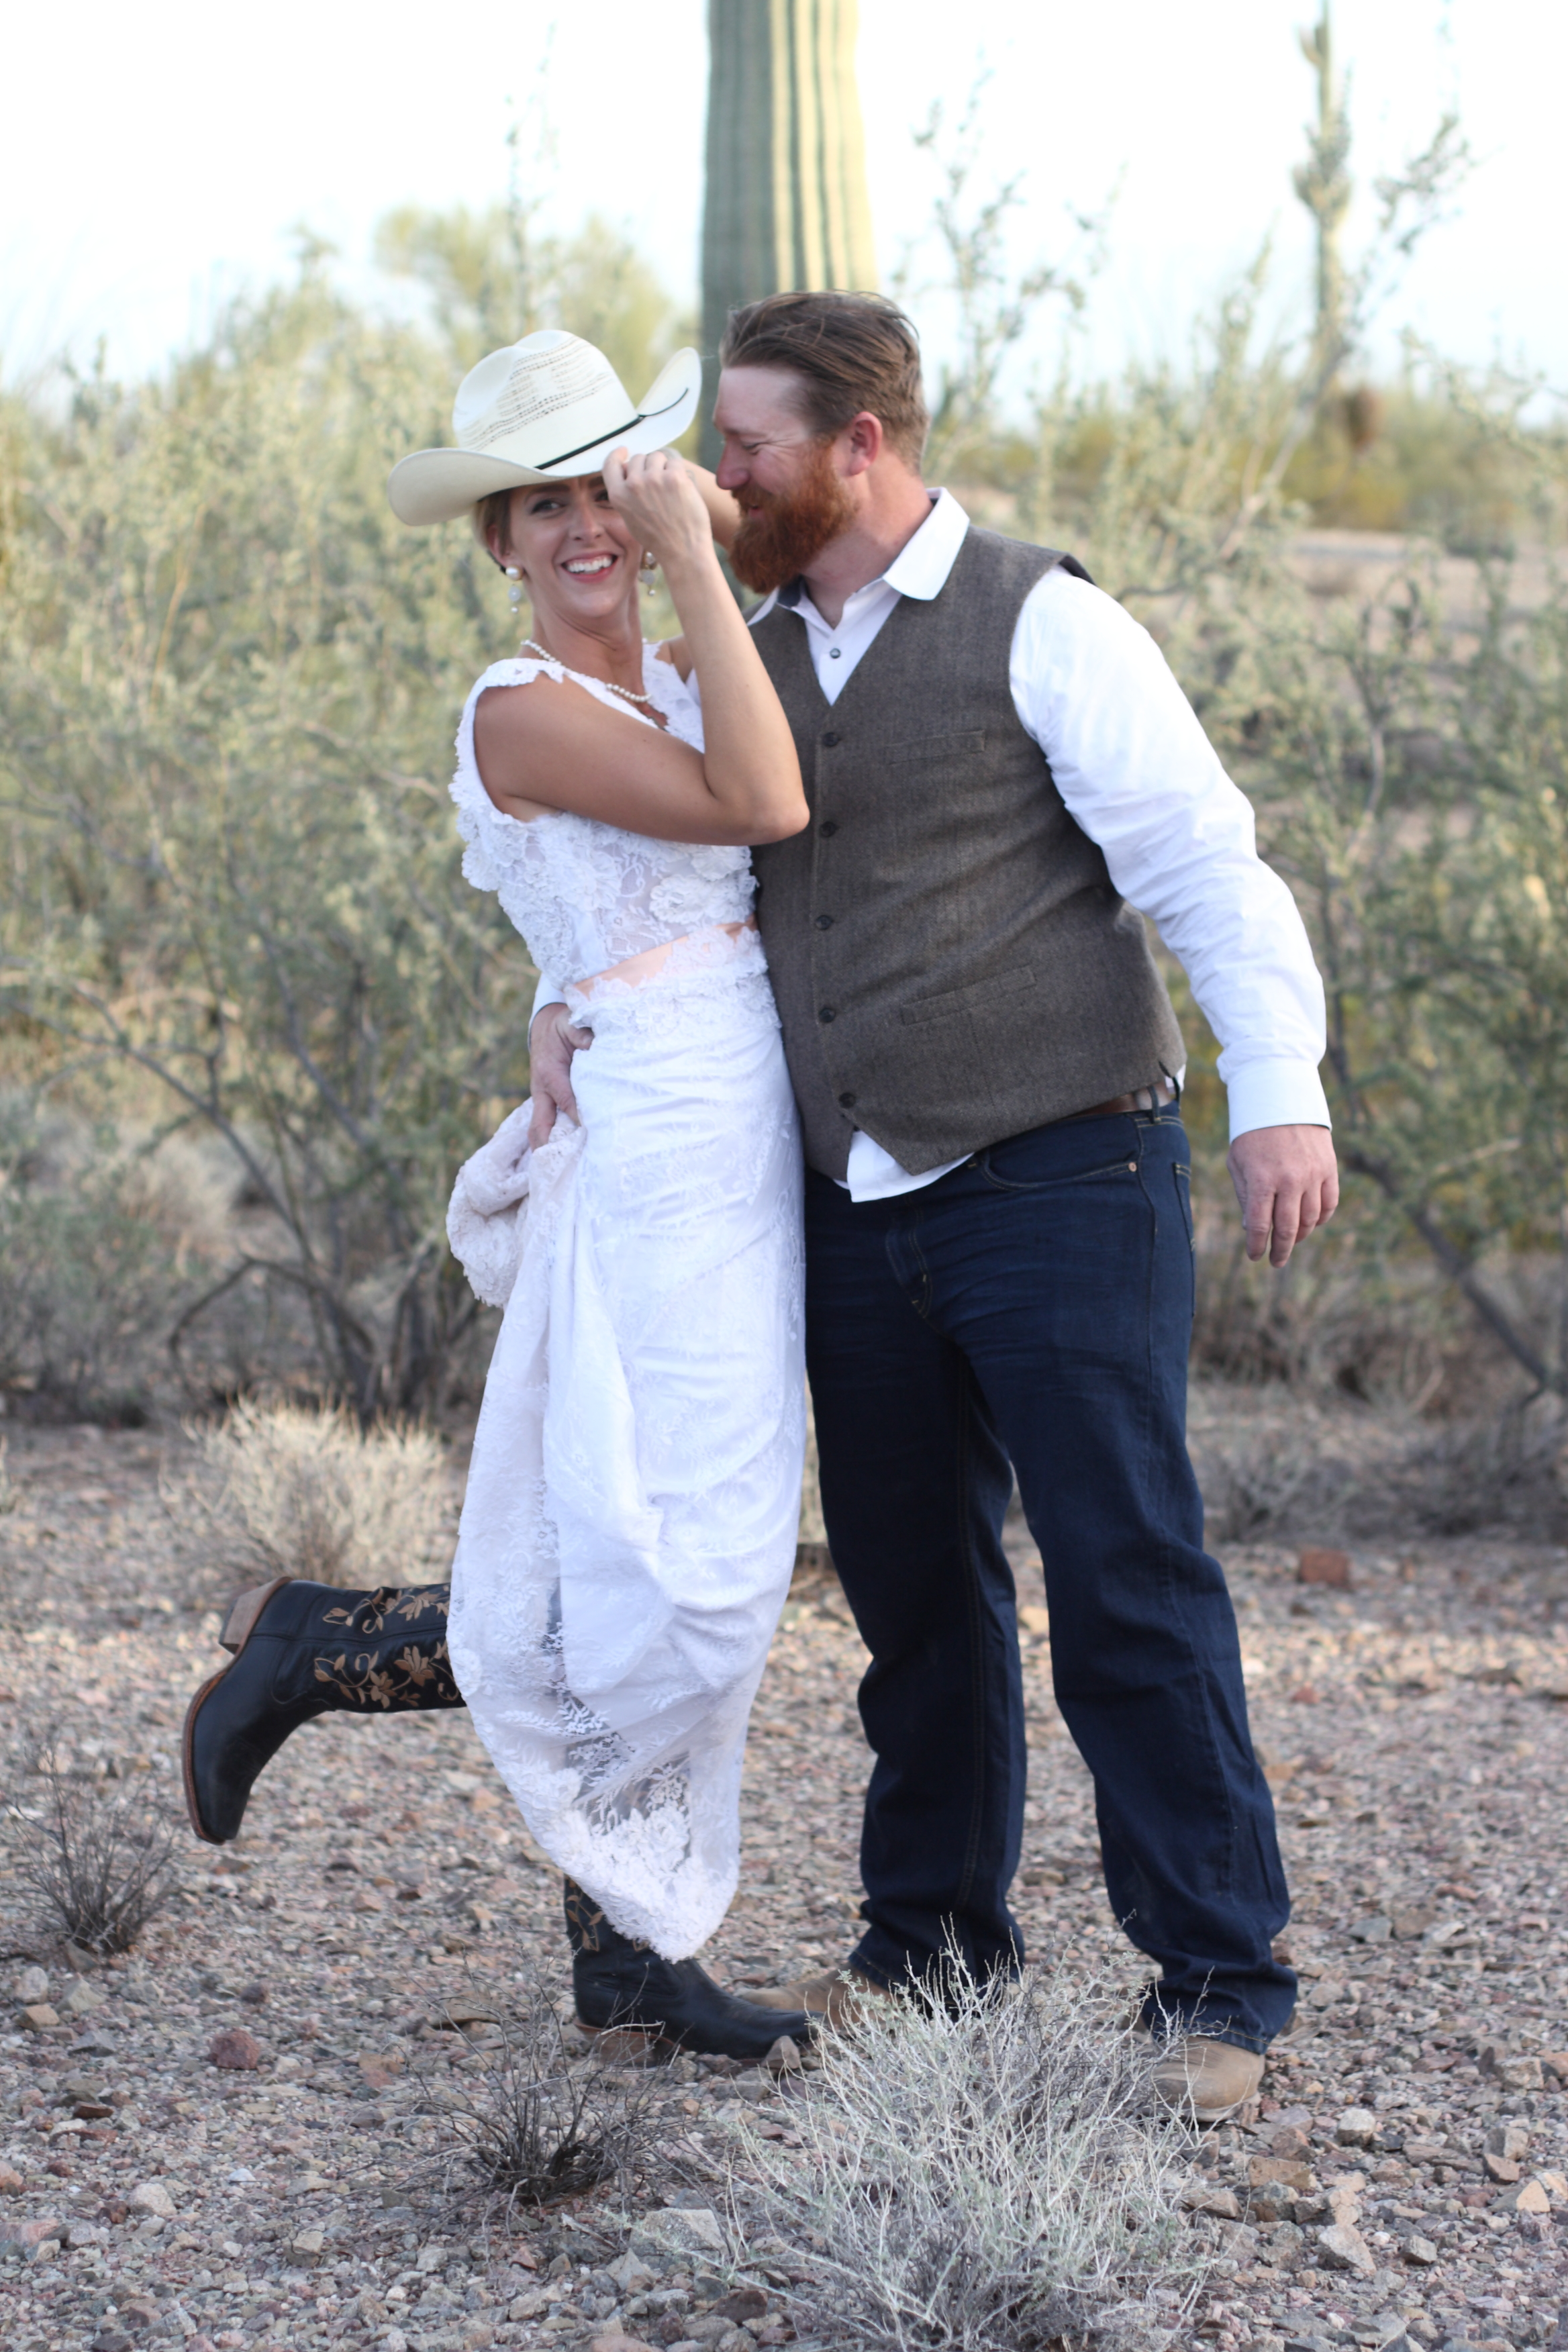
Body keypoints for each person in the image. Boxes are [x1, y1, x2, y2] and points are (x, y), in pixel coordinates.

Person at [528, 291, 1338, 2122]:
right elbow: (670, 898)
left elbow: (1206, 863)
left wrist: (1279, 1096)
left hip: (1061, 1164)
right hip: (853, 1198)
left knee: (1126, 1578)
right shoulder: (744, 650)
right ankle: (935, 1950)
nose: (710, 482)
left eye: (742, 447)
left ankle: (1222, 1984)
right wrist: (556, 1002)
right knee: (915, 1600)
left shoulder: (1043, 620)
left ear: (858, 447)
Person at [181, 328, 817, 2065]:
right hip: (658, 1160)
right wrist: (696, 549)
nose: (582, 527)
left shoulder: (679, 675)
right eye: (544, 505)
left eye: (607, 485)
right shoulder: (517, 706)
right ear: (501, 541)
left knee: (707, 1554)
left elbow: (726, 834)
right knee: (660, 1574)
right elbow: (764, 803)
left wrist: (562, 994)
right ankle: (313, 1654)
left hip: (734, 1144)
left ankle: (630, 1968)